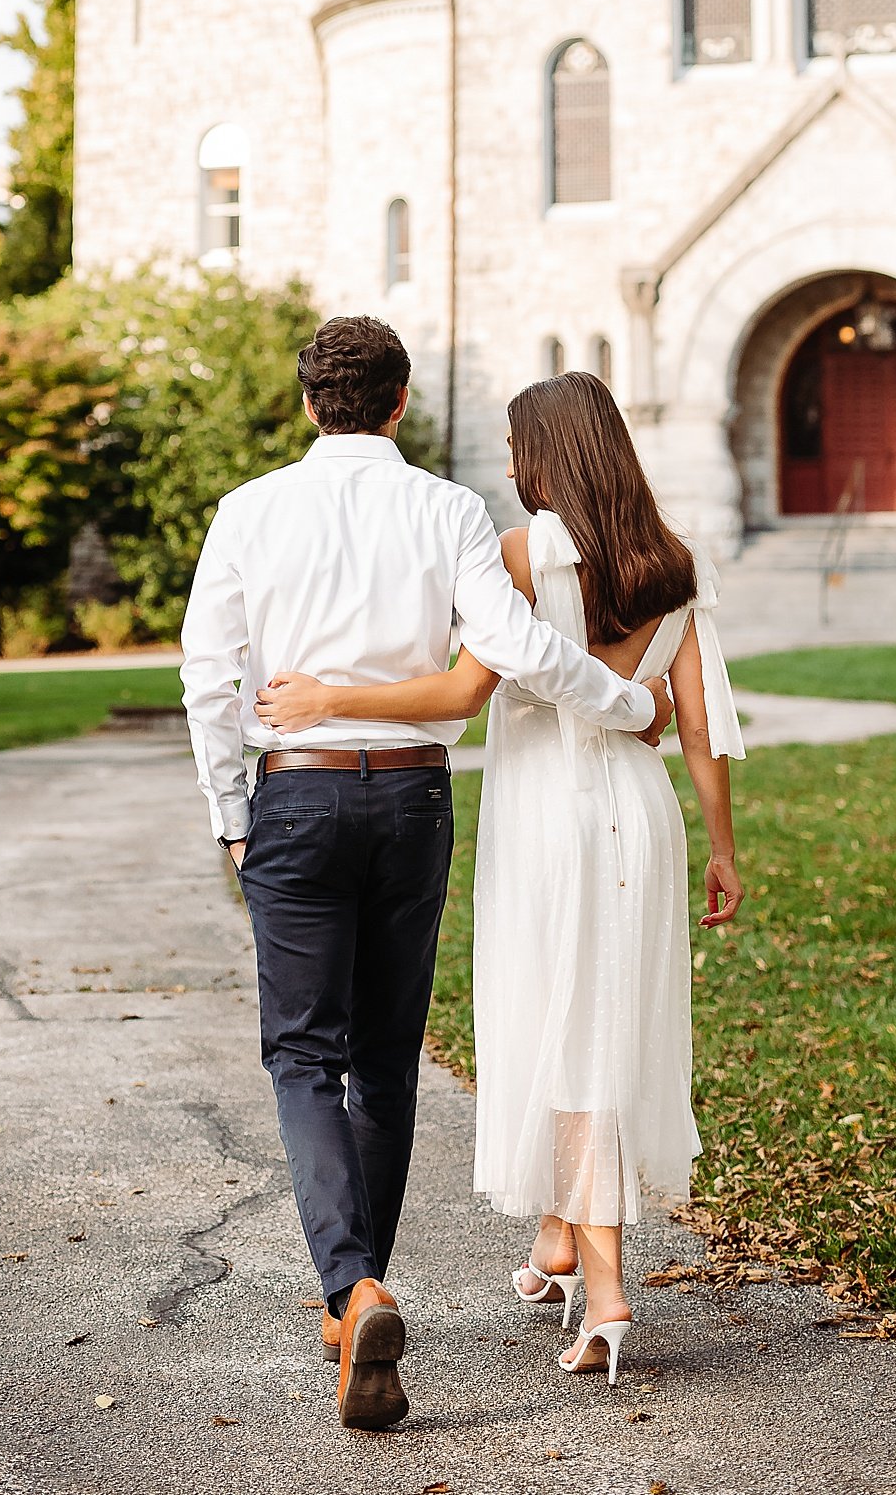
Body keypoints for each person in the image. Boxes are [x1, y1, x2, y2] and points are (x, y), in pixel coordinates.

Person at [180, 319, 673, 1430]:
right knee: (386, 1056)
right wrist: (635, 704)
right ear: (401, 403)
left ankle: (353, 1288)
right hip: (410, 799)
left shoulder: (248, 511)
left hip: (296, 795)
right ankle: (354, 1294)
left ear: (311, 403)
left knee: (305, 1053)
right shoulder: (449, 510)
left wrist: (230, 813)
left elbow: (209, 673)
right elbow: (520, 650)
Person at [256, 370, 744, 1389]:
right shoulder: (677, 564)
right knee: (601, 1016)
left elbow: (458, 691)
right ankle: (559, 1243)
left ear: (546, 458)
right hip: (642, 817)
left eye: (520, 447)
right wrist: (724, 849)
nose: (512, 466)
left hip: (546, 821)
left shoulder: (521, 557)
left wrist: (327, 699)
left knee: (567, 1039)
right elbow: (698, 726)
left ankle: (604, 1290)